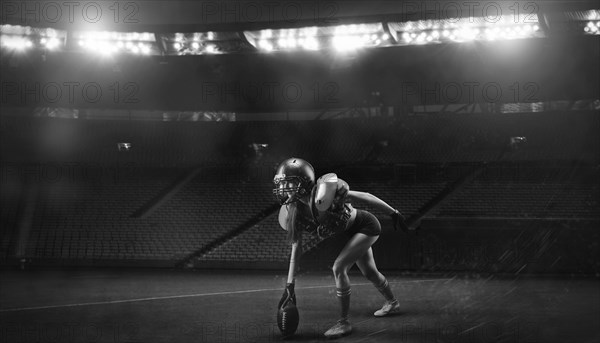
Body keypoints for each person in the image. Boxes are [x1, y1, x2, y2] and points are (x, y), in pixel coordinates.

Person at [273, 157, 409, 339]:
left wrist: (393, 212)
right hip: (352, 232)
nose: (284, 188)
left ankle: (343, 323)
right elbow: (296, 247)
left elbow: (365, 196)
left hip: (366, 225)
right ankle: (393, 303)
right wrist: (290, 285)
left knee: (339, 267)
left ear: (304, 182)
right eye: (282, 184)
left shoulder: (324, 193)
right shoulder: (294, 211)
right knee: (369, 272)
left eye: (289, 183)